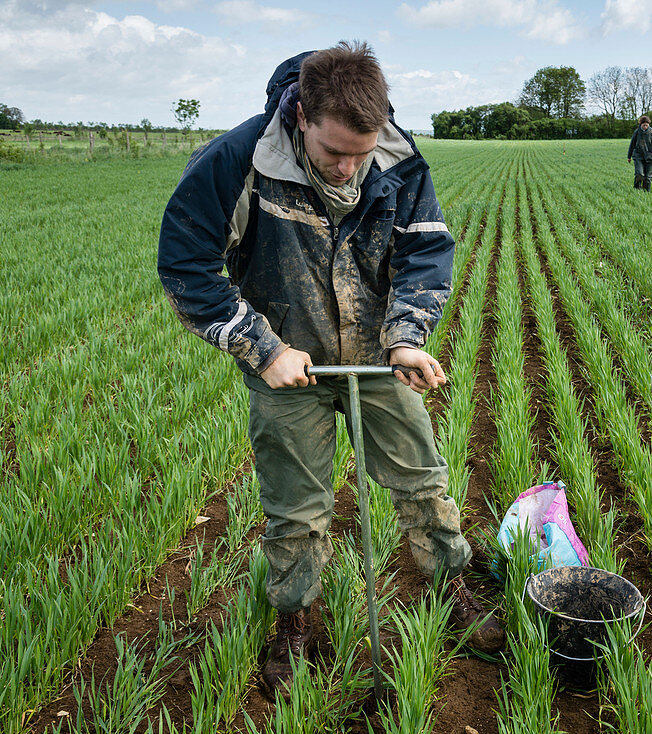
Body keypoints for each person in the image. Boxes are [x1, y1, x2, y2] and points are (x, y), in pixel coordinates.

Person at [157, 41, 504, 698]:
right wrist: (265, 349)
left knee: (422, 480)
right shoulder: (237, 162)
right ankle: (295, 621)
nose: (349, 167)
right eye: (333, 152)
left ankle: (450, 584)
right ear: (302, 118)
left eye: (361, 153)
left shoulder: (399, 161)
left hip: (375, 361)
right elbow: (186, 267)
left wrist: (404, 338)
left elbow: (426, 253)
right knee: (296, 509)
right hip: (289, 365)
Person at [627, 115, 652, 191]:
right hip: (638, 156)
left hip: (649, 156)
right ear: (640, 124)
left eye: (646, 125)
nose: (645, 127)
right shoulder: (637, 132)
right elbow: (632, 144)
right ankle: (637, 189)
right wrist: (629, 156)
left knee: (648, 177)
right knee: (639, 174)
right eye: (643, 125)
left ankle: (646, 191)